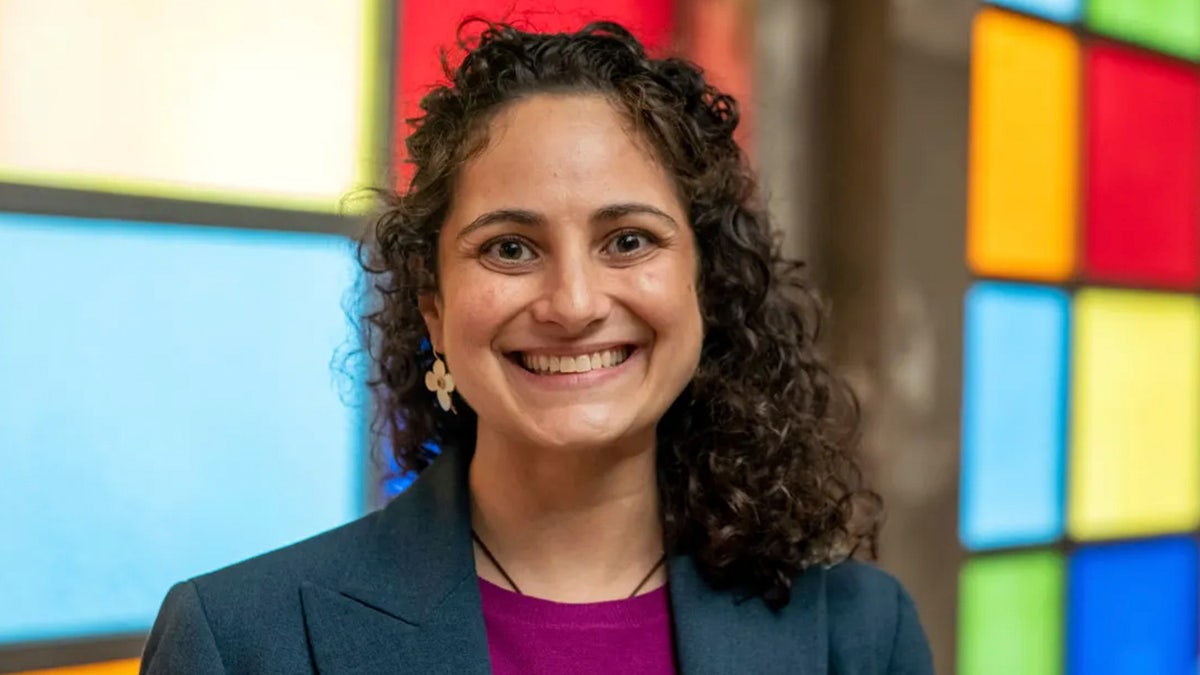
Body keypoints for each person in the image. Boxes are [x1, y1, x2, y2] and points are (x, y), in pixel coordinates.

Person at [141, 20, 933, 674]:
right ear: (436, 313)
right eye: (510, 248)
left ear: (705, 291)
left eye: (628, 239)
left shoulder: (858, 635)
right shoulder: (240, 640)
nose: (575, 304)